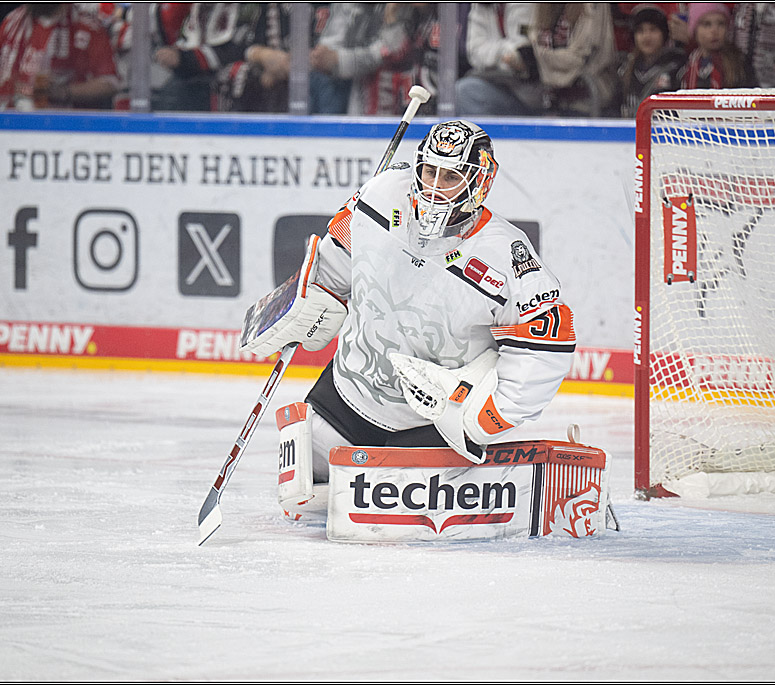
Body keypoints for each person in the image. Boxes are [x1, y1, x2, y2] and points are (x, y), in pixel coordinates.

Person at [241, 120, 576, 515]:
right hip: (348, 392)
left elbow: (545, 347)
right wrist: (314, 297)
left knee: (389, 527)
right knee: (302, 505)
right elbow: (338, 254)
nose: (435, 185)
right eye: (429, 170)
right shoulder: (382, 194)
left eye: (451, 175)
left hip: (429, 424)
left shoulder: (507, 256)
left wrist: (484, 419)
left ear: (481, 182)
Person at [0, 3, 120, 110]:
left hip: (63, 129)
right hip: (8, 126)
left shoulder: (87, 27)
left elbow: (109, 83)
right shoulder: (12, 22)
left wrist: (65, 92)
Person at [530, 3, 617, 117]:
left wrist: (543, 58)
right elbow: (533, 38)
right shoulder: (544, 7)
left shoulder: (593, 7)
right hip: (551, 101)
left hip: (588, 103)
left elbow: (577, 58)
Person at [455, 3, 539, 117]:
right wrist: (504, 54)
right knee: (463, 90)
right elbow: (475, 52)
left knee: (466, 91)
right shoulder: (480, 6)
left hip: (528, 93)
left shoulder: (525, 5)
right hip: (494, 82)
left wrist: (499, 55)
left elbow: (524, 49)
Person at [617, 4, 687, 117]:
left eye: (653, 30)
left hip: (664, 131)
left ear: (664, 34)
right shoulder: (624, 69)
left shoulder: (677, 66)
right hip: (629, 131)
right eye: (640, 31)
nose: (647, 36)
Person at [678, 2, 756, 89]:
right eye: (707, 24)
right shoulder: (683, 64)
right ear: (695, 30)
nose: (714, 30)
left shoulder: (740, 64)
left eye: (721, 24)